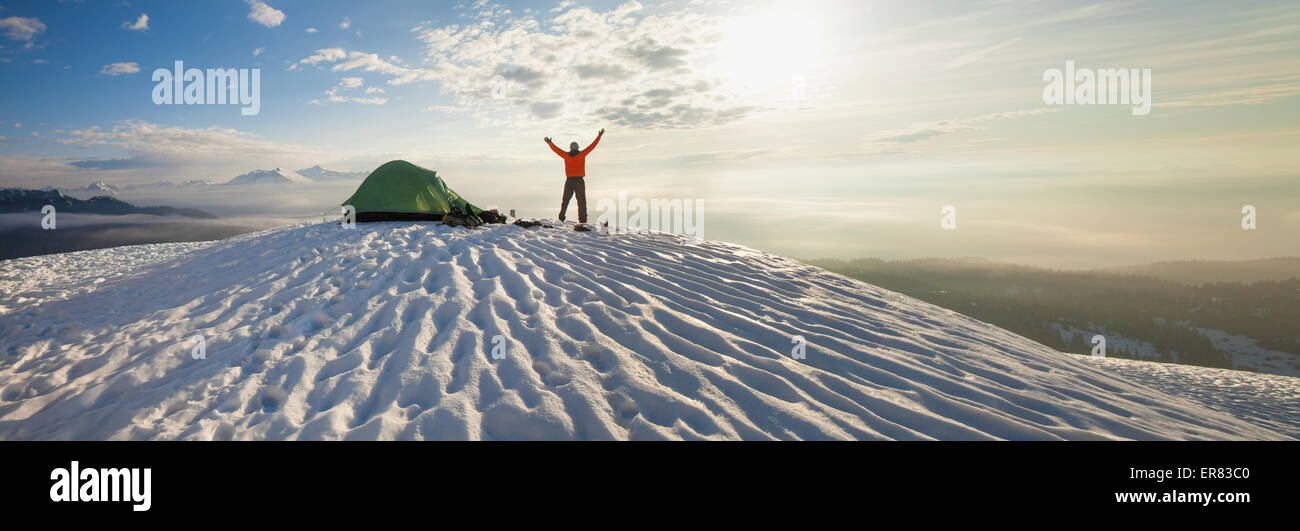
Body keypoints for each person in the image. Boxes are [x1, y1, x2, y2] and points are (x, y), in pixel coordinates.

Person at [544, 128, 604, 224]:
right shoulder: (582, 154)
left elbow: (556, 150)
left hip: (569, 181)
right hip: (579, 181)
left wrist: (549, 143)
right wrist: (599, 136)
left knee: (565, 200)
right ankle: (583, 220)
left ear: (570, 148)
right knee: (581, 202)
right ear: (578, 147)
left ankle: (561, 219)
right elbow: (592, 146)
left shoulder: (566, 155)